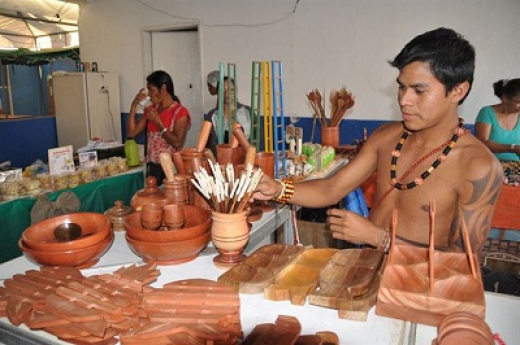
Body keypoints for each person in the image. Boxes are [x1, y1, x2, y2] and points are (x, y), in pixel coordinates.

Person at [254, 27, 503, 255]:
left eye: (419, 90)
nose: (404, 100)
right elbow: (331, 188)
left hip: (419, 291)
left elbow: (461, 260)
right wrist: (278, 188)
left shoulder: (478, 166)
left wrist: (378, 238)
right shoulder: (387, 137)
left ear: (458, 91)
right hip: (367, 271)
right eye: (402, 88)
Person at [127, 70, 191, 184]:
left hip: (170, 168)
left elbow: (177, 143)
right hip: (152, 167)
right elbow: (132, 132)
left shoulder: (180, 112)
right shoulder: (152, 109)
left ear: (163, 89)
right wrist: (133, 105)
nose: (149, 94)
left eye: (151, 89)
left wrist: (158, 122)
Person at [475, 79, 520, 161]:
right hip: (491, 164)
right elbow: (482, 143)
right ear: (505, 98)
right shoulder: (487, 112)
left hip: (516, 166)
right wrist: (512, 148)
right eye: (519, 102)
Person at [204, 76, 251, 156]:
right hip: (220, 161)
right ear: (218, 93)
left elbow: (256, 141)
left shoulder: (247, 113)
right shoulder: (212, 115)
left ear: (236, 91)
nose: (227, 94)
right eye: (223, 90)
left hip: (244, 160)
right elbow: (209, 144)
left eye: (231, 90)